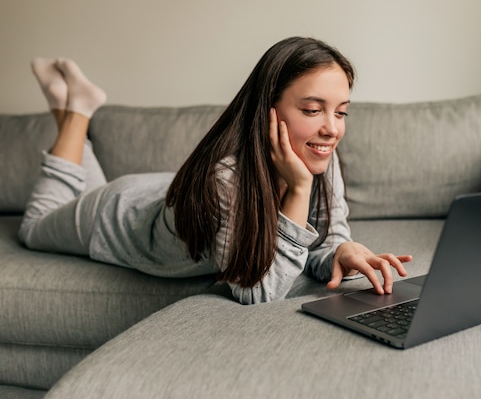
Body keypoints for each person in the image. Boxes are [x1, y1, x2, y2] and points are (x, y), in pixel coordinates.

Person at [20, 37, 412, 305]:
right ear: (267, 110)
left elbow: (323, 238)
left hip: (157, 193)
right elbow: (259, 292)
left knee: (72, 196)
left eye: (341, 111)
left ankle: (66, 103)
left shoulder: (318, 152)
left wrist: (340, 250)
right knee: (34, 228)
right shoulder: (225, 184)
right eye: (312, 110)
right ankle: (76, 114)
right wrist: (297, 190)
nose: (332, 127)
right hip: (115, 215)